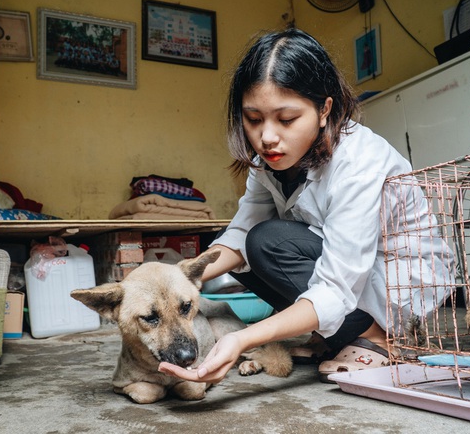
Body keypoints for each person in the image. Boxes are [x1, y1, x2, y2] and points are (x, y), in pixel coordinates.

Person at [158, 28, 454, 384]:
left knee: (268, 241)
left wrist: (243, 338)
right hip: (349, 271)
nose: (267, 137)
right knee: (244, 245)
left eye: (286, 120)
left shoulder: (359, 162)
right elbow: (239, 232)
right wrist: (175, 277)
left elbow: (336, 285)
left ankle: (379, 336)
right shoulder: (271, 159)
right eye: (253, 119)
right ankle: (332, 333)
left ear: (324, 110)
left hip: (399, 284)